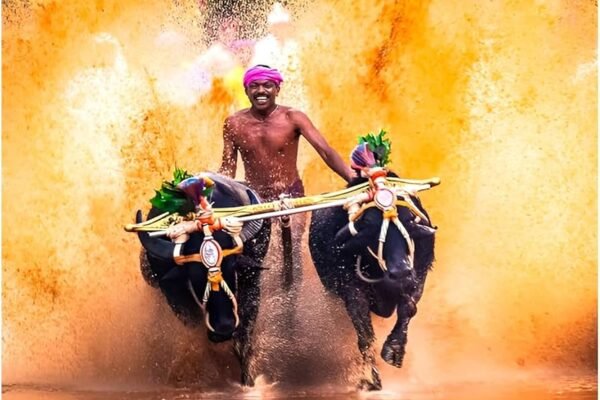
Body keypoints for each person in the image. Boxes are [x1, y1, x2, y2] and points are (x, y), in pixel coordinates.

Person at [217, 64, 353, 201]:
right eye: (254, 86)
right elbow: (228, 170)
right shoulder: (234, 123)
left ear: (277, 90)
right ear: (246, 91)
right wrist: (208, 188)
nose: (260, 91)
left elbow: (325, 151)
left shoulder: (293, 117)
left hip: (291, 195)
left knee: (292, 222)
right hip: (255, 199)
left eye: (267, 85)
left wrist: (354, 180)